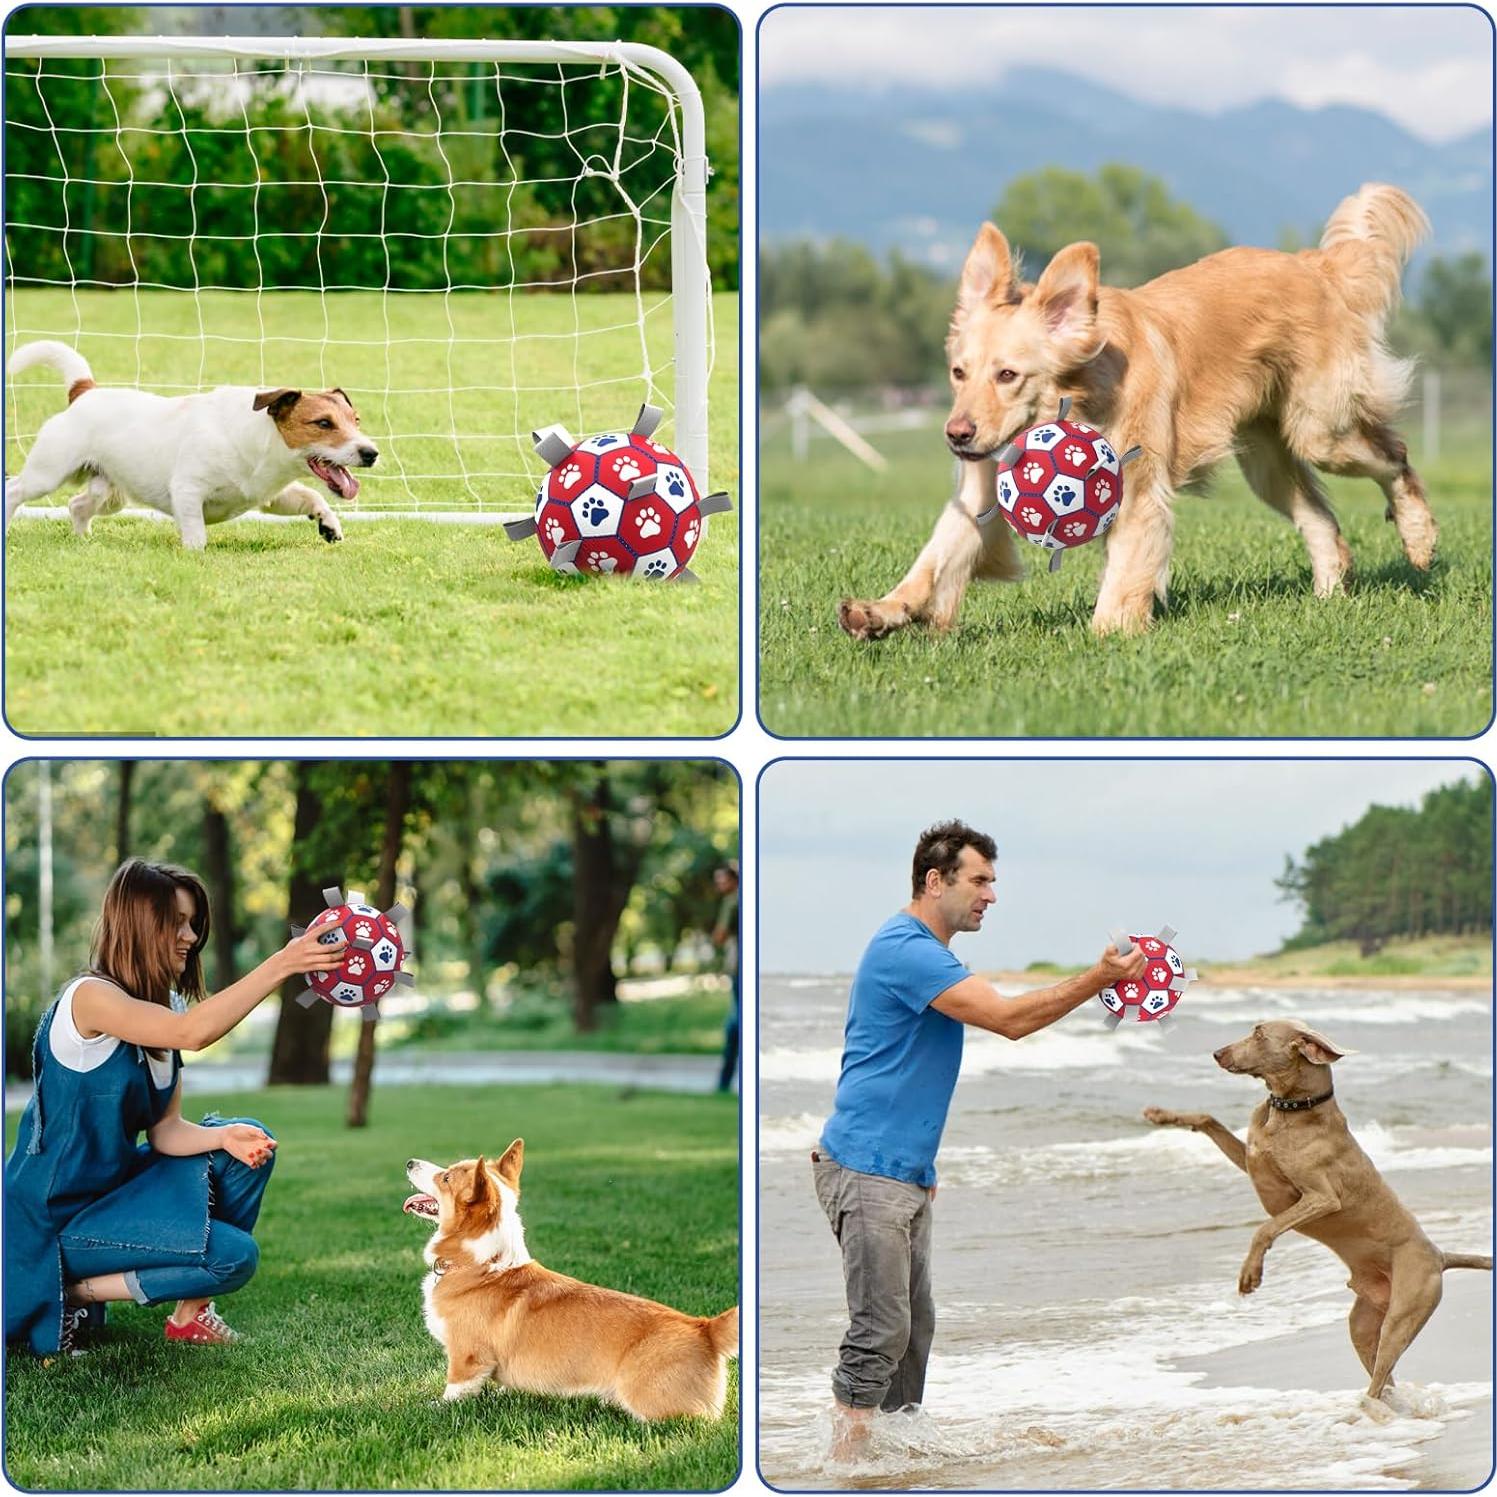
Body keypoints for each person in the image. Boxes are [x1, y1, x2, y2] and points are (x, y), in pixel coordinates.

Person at [813, 820, 1147, 1451]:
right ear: (934, 881)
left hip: (900, 1171)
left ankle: (893, 1458)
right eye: (980, 880)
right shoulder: (905, 949)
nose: (991, 895)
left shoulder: (927, 953)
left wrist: (920, 1166)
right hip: (865, 1169)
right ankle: (843, 1465)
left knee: (913, 1333)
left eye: (993, 882)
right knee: (881, 1329)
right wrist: (1097, 979)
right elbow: (1010, 1020)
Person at [5, 858, 347, 1355]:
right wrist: (285, 963)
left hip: (111, 1196)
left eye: (194, 924)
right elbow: (193, 1033)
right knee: (235, 1257)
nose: (190, 936)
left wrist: (223, 1137)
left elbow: (165, 1130)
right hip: (49, 1220)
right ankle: (66, 1289)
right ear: (140, 926)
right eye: (176, 924)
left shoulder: (163, 1006)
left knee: (244, 1137)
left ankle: (190, 1315)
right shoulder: (90, 999)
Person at [712, 861, 741, 1093]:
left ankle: (724, 1081)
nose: (720, 884)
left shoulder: (732, 902)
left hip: (738, 971)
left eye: (723, 879)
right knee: (736, 1025)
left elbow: (720, 936)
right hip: (737, 970)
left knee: (735, 1026)